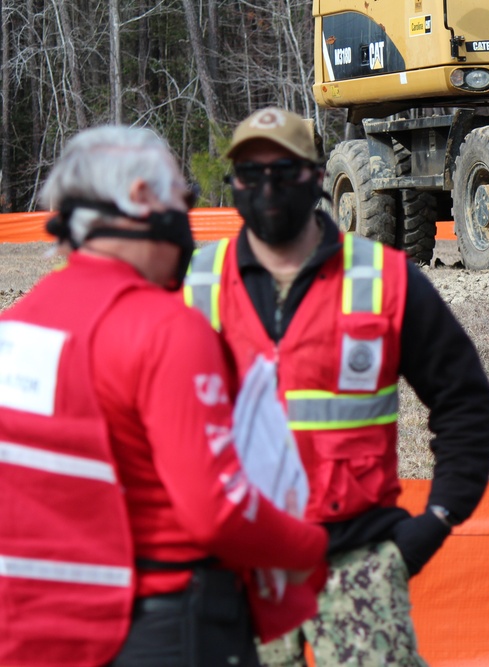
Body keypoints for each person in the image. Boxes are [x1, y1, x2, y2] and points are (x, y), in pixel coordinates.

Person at [0, 126, 330, 667]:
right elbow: (216, 512)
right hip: (169, 625)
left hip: (42, 628)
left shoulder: (17, 327)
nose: (189, 217)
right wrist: (311, 546)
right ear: (141, 197)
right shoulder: (165, 330)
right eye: (186, 196)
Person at [183, 107, 489, 666]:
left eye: (284, 170)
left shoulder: (385, 279)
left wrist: (438, 519)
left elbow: (464, 402)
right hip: (234, 568)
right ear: (233, 185)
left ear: (317, 178)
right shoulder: (194, 284)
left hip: (358, 565)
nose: (267, 187)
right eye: (250, 174)